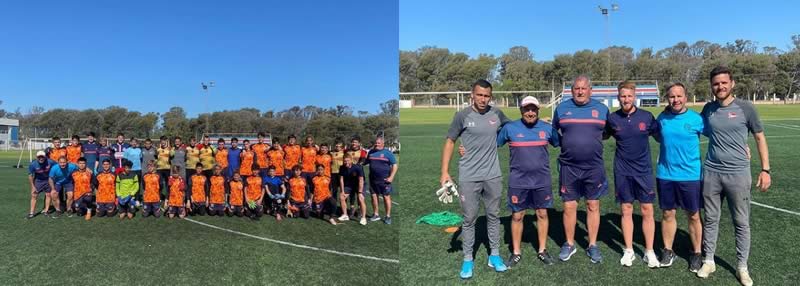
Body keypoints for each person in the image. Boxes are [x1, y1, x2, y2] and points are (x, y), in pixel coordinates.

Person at [461, 96, 560, 267]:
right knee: (517, 215)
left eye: (533, 109)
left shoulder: (547, 128)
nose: (530, 112)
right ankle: (516, 252)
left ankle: (542, 250)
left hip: (541, 181)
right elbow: (490, 143)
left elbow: (560, 143)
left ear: (538, 110)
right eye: (527, 109)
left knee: (542, 214)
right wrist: (466, 148)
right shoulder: (510, 128)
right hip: (518, 181)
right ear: (521, 110)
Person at [697, 66, 771, 286]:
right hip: (711, 172)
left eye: (723, 83)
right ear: (712, 86)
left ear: (732, 83)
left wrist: (765, 169)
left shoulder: (746, 108)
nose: (720, 87)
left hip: (738, 174)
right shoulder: (708, 109)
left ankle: (742, 267)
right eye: (716, 84)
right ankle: (709, 260)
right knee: (711, 219)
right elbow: (697, 130)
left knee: (741, 221)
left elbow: (759, 138)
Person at [441, 79, 510, 278]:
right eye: (479, 94)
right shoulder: (462, 115)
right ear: (472, 94)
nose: (482, 99)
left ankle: (494, 255)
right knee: (469, 218)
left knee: (493, 216)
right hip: (469, 176)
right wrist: (444, 172)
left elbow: (514, 127)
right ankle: (468, 259)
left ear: (491, 96)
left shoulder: (496, 114)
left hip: (493, 175)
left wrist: (541, 122)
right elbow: (450, 141)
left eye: (486, 95)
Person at [552, 75, 609, 264]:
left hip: (594, 166)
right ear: (572, 90)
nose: (580, 91)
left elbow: (607, 133)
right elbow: (554, 132)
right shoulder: (561, 109)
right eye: (576, 88)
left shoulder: (601, 109)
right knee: (569, 206)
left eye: (584, 88)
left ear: (590, 90)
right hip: (569, 167)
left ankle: (592, 244)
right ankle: (569, 243)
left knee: (593, 205)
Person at [605, 81, 660, 267]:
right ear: (618, 97)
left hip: (643, 171)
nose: (626, 99)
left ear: (634, 96)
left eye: (629, 96)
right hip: (622, 171)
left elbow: (662, 136)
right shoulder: (612, 119)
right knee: (626, 210)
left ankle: (649, 251)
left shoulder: (647, 116)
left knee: (647, 210)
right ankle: (629, 250)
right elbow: (600, 134)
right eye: (623, 96)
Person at [655, 82, 705, 271]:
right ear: (667, 98)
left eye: (679, 96)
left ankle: (697, 252)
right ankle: (668, 250)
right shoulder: (662, 118)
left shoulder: (696, 119)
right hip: (666, 175)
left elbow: (717, 136)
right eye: (671, 96)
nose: (675, 100)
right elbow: (659, 137)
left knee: (693, 215)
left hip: (690, 176)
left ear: (685, 97)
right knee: (668, 213)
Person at [365, 136, 398, 224]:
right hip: (372, 179)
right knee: (374, 196)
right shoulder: (371, 152)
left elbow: (394, 165)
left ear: (383, 144)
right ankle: (376, 214)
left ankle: (388, 216)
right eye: (376, 143)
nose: (376, 144)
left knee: (386, 197)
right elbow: (366, 162)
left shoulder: (388, 153)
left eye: (378, 143)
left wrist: (391, 177)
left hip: (384, 180)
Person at [337, 154, 367, 225]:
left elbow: (361, 180)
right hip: (349, 185)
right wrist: (342, 191)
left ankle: (363, 218)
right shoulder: (342, 167)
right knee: (342, 197)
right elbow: (341, 180)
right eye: (345, 161)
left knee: (361, 199)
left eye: (348, 160)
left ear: (351, 160)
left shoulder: (357, 167)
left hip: (359, 185)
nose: (346, 162)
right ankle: (345, 215)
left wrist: (360, 192)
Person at [27, 151, 57, 219]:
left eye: (42, 157)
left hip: (48, 180)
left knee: (48, 195)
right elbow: (30, 176)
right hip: (38, 181)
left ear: (45, 157)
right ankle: (31, 213)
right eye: (39, 157)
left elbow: (57, 167)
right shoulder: (33, 164)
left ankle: (46, 211)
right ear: (36, 157)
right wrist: (33, 186)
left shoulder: (50, 162)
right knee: (34, 195)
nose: (41, 158)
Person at [123, 138, 143, 205]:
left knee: (137, 185)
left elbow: (141, 159)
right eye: (132, 142)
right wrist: (126, 169)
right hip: (130, 170)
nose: (134, 143)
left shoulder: (139, 150)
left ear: (136, 143)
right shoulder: (127, 150)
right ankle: (130, 198)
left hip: (138, 170)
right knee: (130, 185)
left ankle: (137, 199)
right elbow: (125, 160)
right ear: (130, 143)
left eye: (135, 142)